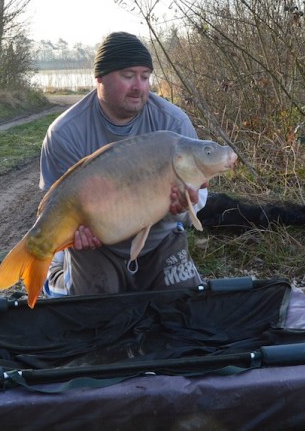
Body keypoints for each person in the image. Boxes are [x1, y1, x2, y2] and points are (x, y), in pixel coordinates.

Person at [39, 31, 209, 298]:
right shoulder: (65, 132)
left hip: (159, 240)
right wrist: (73, 235)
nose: (139, 86)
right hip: (97, 247)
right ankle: (57, 269)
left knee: (183, 302)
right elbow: (56, 207)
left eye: (145, 77)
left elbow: (197, 204)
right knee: (94, 309)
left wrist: (184, 208)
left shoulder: (174, 124)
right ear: (100, 77)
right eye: (128, 76)